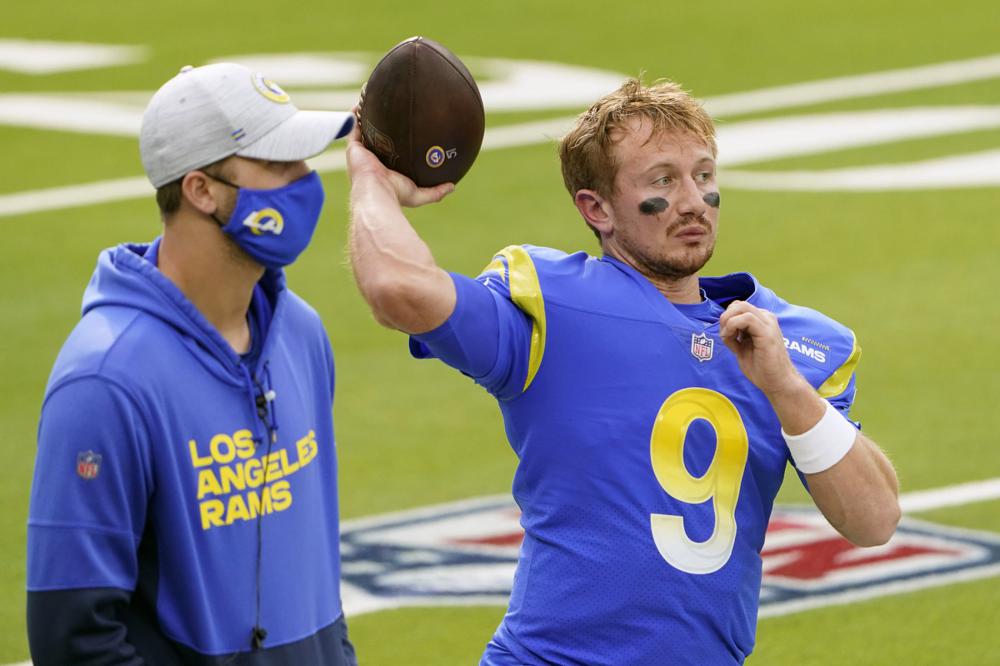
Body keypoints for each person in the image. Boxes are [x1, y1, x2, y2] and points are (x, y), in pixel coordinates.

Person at [346, 78, 901, 665]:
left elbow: (874, 521)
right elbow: (395, 289)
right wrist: (371, 181)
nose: (692, 201)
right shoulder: (551, 305)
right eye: (663, 180)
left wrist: (786, 388)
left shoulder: (797, 341)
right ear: (597, 208)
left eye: (704, 175)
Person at [27, 63, 358, 664]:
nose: (305, 183)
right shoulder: (105, 381)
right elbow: (72, 638)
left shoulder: (301, 335)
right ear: (201, 190)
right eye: (277, 165)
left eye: (304, 162)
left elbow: (315, 578)